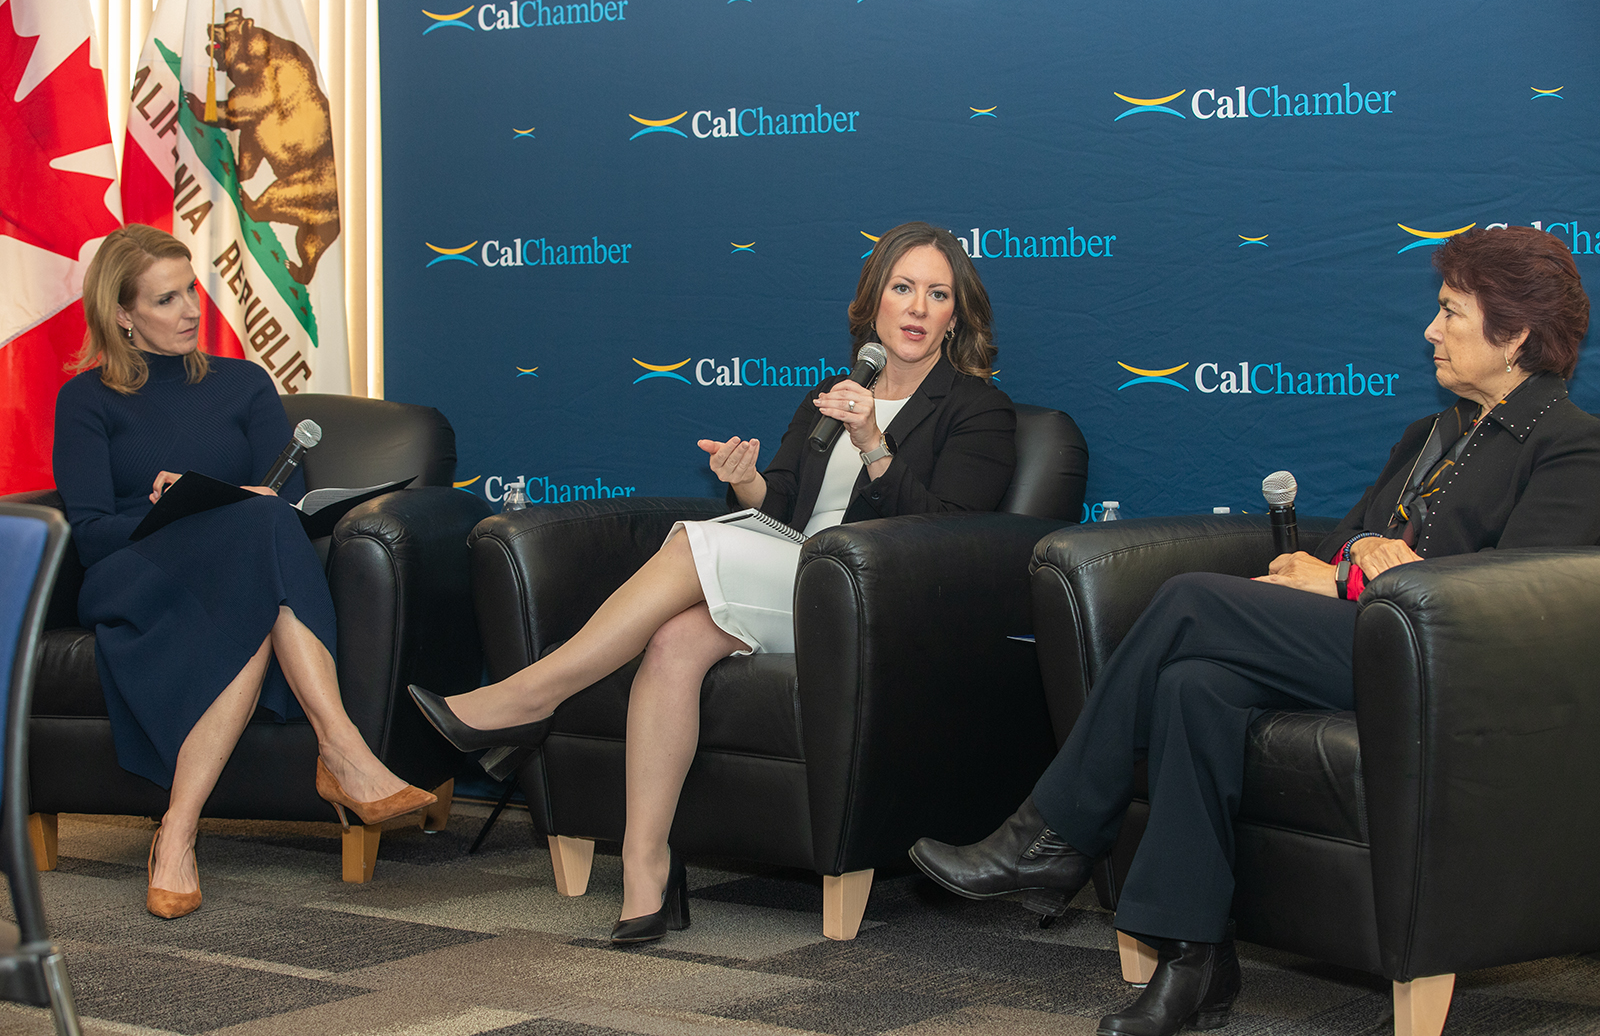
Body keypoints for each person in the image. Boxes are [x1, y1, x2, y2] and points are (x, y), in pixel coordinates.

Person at [909, 225, 1600, 1036]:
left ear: (1514, 334)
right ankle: (1194, 963)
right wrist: (1337, 569)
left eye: (1450, 313)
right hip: (1358, 645)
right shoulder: (1431, 437)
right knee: (1194, 683)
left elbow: (1522, 610)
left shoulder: (1572, 448)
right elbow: (1347, 545)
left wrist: (1363, 573)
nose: (1430, 330)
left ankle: (1050, 830)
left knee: (1191, 601)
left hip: (1450, 680)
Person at [410, 221, 1018, 944]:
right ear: (875, 302)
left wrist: (876, 447)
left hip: (872, 600)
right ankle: (645, 869)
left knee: (687, 542)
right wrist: (747, 481)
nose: (917, 307)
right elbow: (786, 506)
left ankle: (529, 695)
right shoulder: (834, 391)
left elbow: (951, 536)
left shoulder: (979, 410)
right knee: (673, 640)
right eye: (903, 288)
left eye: (937, 293)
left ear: (957, 314)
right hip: (795, 573)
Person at [53, 225, 436, 920]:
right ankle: (341, 752)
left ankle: (179, 831)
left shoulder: (245, 383)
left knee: (261, 527)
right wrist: (170, 510)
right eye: (167, 299)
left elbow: (285, 505)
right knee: (253, 537)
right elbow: (89, 532)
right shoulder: (86, 401)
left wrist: (237, 502)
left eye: (191, 289)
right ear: (122, 314)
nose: (191, 310)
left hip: (234, 565)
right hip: (133, 571)